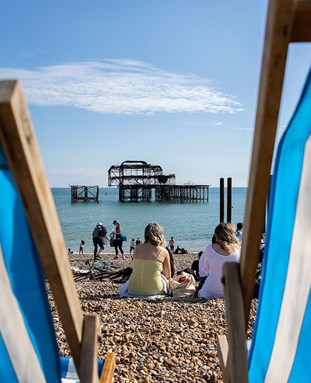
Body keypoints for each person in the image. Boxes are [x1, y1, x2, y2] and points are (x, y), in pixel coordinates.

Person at [127, 222, 171, 296]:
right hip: (154, 290)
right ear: (160, 235)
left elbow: (136, 268)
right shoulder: (163, 251)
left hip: (132, 289)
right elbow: (168, 276)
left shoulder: (137, 248)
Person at [198, 223, 240, 299]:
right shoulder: (239, 249)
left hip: (210, 292)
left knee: (204, 278)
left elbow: (203, 271)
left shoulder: (209, 248)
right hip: (233, 291)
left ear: (216, 235)